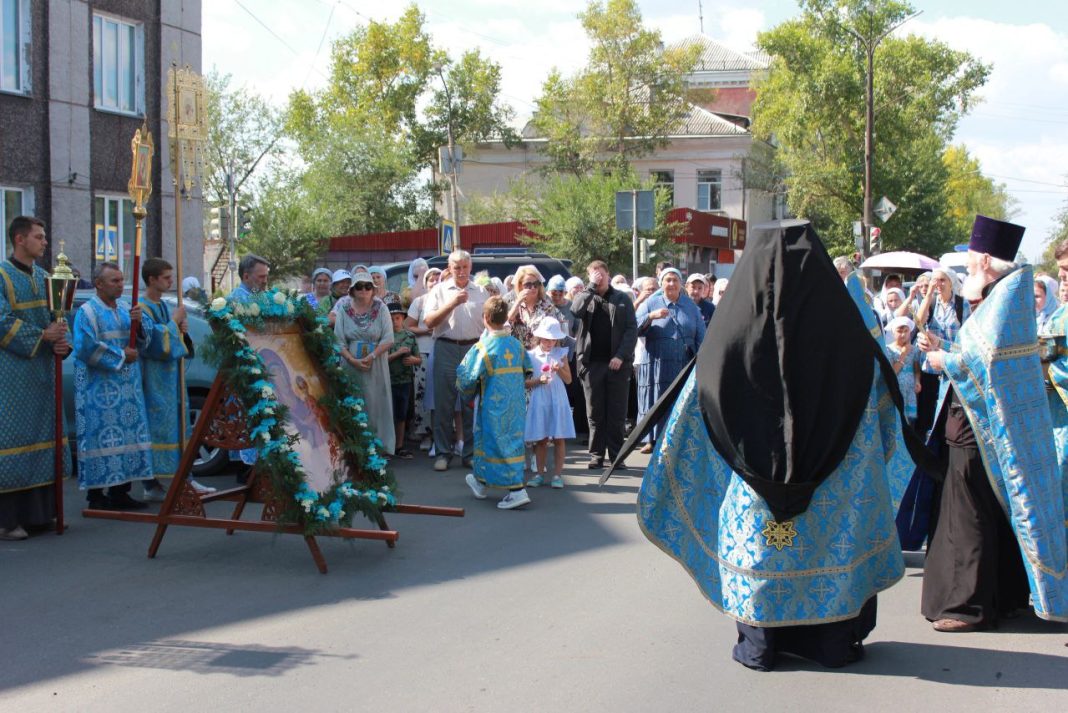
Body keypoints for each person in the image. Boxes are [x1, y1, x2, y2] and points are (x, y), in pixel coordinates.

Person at [632, 222, 930, 671]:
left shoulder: (724, 337)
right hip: (834, 490)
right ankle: (831, 642)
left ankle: (762, 645)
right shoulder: (853, 342)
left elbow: (695, 412)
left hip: (752, 491)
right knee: (827, 547)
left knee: (763, 553)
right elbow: (885, 410)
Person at [917, 215, 1067, 631]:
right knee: (990, 509)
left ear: (984, 259)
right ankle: (1005, 598)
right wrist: (946, 347)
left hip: (976, 426)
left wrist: (942, 359)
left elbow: (984, 363)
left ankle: (968, 606)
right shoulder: (1003, 296)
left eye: (968, 263)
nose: (965, 271)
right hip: (976, 421)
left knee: (971, 515)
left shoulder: (1003, 298)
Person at [0, 217, 71, 539]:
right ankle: (7, 520)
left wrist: (60, 340)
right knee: (13, 441)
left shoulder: (46, 277)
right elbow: (1, 321)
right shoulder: (1, 275)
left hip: (42, 372)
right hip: (11, 375)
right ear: (19, 239)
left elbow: (57, 319)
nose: (45, 242)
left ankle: (42, 515)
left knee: (44, 438)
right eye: (39, 237)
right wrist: (43, 335)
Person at [73, 263, 154, 510]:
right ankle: (96, 496)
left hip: (127, 390)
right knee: (99, 438)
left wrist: (139, 325)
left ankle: (121, 492)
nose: (120, 285)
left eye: (121, 280)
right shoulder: (87, 312)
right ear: (98, 284)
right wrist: (120, 355)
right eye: (114, 281)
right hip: (98, 391)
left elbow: (145, 340)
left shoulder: (126, 308)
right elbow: (85, 346)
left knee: (126, 438)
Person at [137, 258, 215, 501]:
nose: (172, 282)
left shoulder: (161, 304)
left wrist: (181, 328)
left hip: (171, 377)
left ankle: (182, 479)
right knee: (159, 430)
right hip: (154, 379)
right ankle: (160, 484)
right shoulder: (143, 307)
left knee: (180, 428)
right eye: (167, 277)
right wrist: (173, 322)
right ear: (152, 279)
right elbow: (153, 344)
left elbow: (174, 340)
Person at [458, 296, 533, 510]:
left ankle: (517, 491)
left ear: (486, 318)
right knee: (496, 441)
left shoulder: (483, 347)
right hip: (517, 405)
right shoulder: (516, 345)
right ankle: (481, 483)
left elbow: (465, 378)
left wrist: (468, 393)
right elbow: (528, 369)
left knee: (498, 443)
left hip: (493, 406)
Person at [423, 250, 489, 471]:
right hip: (446, 348)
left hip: (473, 348)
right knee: (444, 405)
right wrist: (451, 304)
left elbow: (491, 323)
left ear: (470, 268)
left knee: (471, 405)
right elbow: (429, 322)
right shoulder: (439, 291)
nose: (461, 271)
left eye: (464, 267)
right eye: (456, 267)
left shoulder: (481, 291)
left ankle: (469, 454)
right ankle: (443, 453)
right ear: (449, 269)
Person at [571, 260, 637, 469]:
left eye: (601, 274)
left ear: (608, 274)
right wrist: (590, 287)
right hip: (592, 365)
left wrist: (620, 356)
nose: (598, 278)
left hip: (617, 364)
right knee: (595, 413)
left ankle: (617, 456)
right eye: (594, 274)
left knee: (617, 413)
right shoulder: (586, 297)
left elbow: (631, 330)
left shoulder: (622, 299)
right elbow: (575, 311)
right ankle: (596, 455)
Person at [635, 268, 706, 454]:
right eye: (667, 280)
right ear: (661, 283)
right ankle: (652, 439)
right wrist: (651, 317)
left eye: (675, 280)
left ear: (681, 284)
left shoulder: (691, 307)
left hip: (683, 362)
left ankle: (677, 439)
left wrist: (701, 360)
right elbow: (633, 328)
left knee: (679, 401)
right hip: (656, 362)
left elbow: (701, 335)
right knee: (656, 399)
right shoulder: (651, 302)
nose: (671, 284)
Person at [335, 270, 395, 454]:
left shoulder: (381, 308)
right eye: (359, 286)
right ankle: (355, 447)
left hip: (375, 364)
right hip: (350, 365)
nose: (364, 290)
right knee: (354, 403)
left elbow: (389, 338)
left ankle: (377, 447)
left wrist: (371, 357)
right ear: (352, 289)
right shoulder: (344, 308)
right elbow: (338, 339)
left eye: (368, 286)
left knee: (376, 403)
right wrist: (351, 359)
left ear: (373, 289)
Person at [913, 267, 969, 440]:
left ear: (951, 282)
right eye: (934, 280)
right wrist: (928, 295)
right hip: (930, 369)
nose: (938, 284)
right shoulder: (930, 302)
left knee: (948, 418)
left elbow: (967, 339)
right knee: (927, 418)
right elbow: (919, 323)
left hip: (951, 367)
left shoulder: (962, 304)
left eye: (942, 280)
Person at [523, 320, 575, 489]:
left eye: (552, 340)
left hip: (558, 398)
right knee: (541, 438)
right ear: (539, 338)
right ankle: (539, 474)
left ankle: (558, 475)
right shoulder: (531, 355)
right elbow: (524, 382)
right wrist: (539, 380)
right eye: (546, 339)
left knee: (559, 437)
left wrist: (559, 368)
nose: (549, 343)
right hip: (540, 398)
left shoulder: (561, 353)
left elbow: (568, 380)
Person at [404, 267, 441, 450]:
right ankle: (425, 434)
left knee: (443, 394)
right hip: (424, 351)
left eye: (438, 279)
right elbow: (407, 326)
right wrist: (425, 331)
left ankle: (442, 435)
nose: (435, 282)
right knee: (423, 392)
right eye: (431, 280)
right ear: (425, 284)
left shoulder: (447, 301)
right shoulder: (420, 301)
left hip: (444, 351)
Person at [387, 302, 421, 459]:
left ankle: (399, 445)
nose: (395, 322)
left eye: (398, 318)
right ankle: (387, 444)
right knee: (387, 413)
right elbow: (380, 360)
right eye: (391, 318)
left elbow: (419, 359)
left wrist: (413, 360)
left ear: (403, 319)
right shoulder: (384, 337)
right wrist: (397, 354)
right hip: (388, 380)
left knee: (402, 413)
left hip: (405, 380)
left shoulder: (410, 336)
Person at [506, 265, 562, 350]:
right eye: (528, 285)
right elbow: (505, 325)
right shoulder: (513, 304)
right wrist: (518, 302)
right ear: (520, 286)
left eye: (536, 284)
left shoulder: (547, 306)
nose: (533, 288)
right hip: (518, 355)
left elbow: (554, 334)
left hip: (540, 356)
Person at [885, 315, 921, 426]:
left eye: (906, 331)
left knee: (910, 423)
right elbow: (892, 372)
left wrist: (917, 381)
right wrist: (903, 354)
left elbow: (916, 369)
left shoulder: (914, 350)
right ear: (893, 333)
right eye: (899, 331)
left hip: (909, 391)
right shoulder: (889, 349)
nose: (903, 334)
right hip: (896, 390)